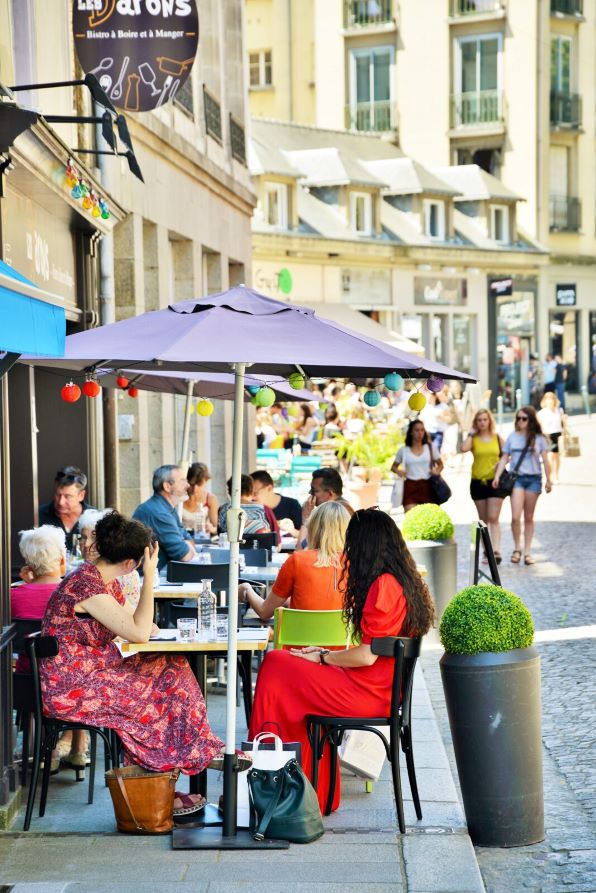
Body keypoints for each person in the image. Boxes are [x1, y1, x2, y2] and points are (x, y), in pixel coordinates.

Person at [39, 511, 246, 820]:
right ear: (130, 563)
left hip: (92, 672)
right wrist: (150, 575)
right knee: (152, 695)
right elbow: (138, 630)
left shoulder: (97, 581)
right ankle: (173, 772)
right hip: (72, 687)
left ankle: (192, 752)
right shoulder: (87, 587)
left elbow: (139, 624)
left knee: (171, 664)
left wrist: (141, 613)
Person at [248, 508, 435, 812]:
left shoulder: (384, 585)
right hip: (376, 689)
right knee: (286, 675)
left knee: (275, 665)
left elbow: (365, 656)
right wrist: (322, 658)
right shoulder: (401, 580)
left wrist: (323, 657)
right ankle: (302, 795)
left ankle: (275, 786)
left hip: (367, 692)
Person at [11, 526, 88, 771]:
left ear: (28, 565)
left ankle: (46, 749)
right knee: (78, 666)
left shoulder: (13, 596)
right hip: (70, 684)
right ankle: (77, 748)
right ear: (63, 560)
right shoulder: (75, 596)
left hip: (27, 683)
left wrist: (27, 584)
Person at [241, 502, 350, 621]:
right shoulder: (358, 563)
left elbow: (265, 612)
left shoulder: (297, 560)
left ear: (313, 528)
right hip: (344, 639)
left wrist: (247, 590)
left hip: (299, 638)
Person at [493, 406, 552, 565]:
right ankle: (517, 548)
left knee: (529, 517)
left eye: (524, 418)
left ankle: (527, 552)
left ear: (530, 420)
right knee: (515, 516)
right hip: (517, 479)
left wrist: (549, 479)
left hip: (533, 479)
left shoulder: (539, 438)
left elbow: (546, 460)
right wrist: (497, 476)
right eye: (518, 418)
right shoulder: (512, 437)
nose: (520, 421)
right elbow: (504, 458)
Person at [460, 410, 506, 563]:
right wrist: (470, 434)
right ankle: (487, 552)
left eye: (485, 419)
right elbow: (463, 448)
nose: (482, 422)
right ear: (476, 422)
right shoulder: (474, 439)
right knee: (483, 519)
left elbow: (507, 454)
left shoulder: (497, 438)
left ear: (489, 421)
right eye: (479, 420)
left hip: (495, 481)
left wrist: (501, 464)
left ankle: (497, 550)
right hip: (478, 481)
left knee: (494, 517)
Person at [132, 465, 195, 570]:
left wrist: (186, 543)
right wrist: (186, 544)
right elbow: (184, 556)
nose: (188, 485)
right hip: (148, 579)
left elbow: (188, 538)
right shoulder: (158, 512)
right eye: (182, 480)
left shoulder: (166, 507)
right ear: (167, 486)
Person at [391, 420, 443, 512]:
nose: (420, 433)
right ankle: (478, 525)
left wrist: (436, 471)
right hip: (410, 486)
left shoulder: (430, 448)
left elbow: (440, 464)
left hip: (427, 486)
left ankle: (478, 525)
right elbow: (394, 467)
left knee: (428, 521)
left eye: (422, 430)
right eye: (417, 430)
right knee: (411, 520)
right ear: (411, 432)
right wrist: (399, 471)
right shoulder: (403, 450)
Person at [38, 467, 94, 552]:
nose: (61, 502)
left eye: (67, 496)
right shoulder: (39, 516)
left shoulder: (95, 518)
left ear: (81, 495)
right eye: (58, 495)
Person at [296, 468, 354, 549]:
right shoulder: (345, 507)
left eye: (314, 490)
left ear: (330, 493)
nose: (310, 493)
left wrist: (306, 520)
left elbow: (301, 550)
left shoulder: (333, 513)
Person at [218, 474, 275, 538]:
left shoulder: (225, 508)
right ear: (252, 491)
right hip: (255, 543)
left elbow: (221, 530)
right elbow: (266, 529)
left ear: (229, 492)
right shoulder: (261, 508)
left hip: (231, 544)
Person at [250, 469, 302, 538]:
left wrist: (291, 530)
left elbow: (304, 537)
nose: (252, 498)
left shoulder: (292, 505)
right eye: (249, 494)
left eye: (255, 493)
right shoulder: (251, 508)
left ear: (269, 488)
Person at [181, 462, 219, 535]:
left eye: (199, 485)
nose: (195, 489)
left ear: (206, 482)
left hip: (202, 540)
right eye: (191, 484)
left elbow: (216, 528)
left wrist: (211, 529)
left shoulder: (210, 499)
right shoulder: (178, 497)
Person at [538, 392, 566, 484]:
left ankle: (556, 475)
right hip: (547, 435)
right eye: (548, 399)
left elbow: (563, 424)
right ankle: (549, 476)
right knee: (550, 456)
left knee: (557, 456)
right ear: (545, 401)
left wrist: (565, 421)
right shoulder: (542, 413)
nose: (550, 401)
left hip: (558, 434)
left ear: (555, 400)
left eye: (552, 398)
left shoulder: (559, 410)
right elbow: (539, 426)